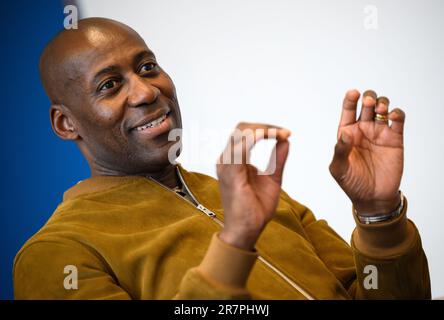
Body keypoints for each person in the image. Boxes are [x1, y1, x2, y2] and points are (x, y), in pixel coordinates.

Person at [13, 17, 430, 300]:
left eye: (148, 66)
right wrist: (234, 244)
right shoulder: (56, 252)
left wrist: (378, 215)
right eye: (109, 84)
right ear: (66, 124)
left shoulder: (254, 193)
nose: (145, 92)